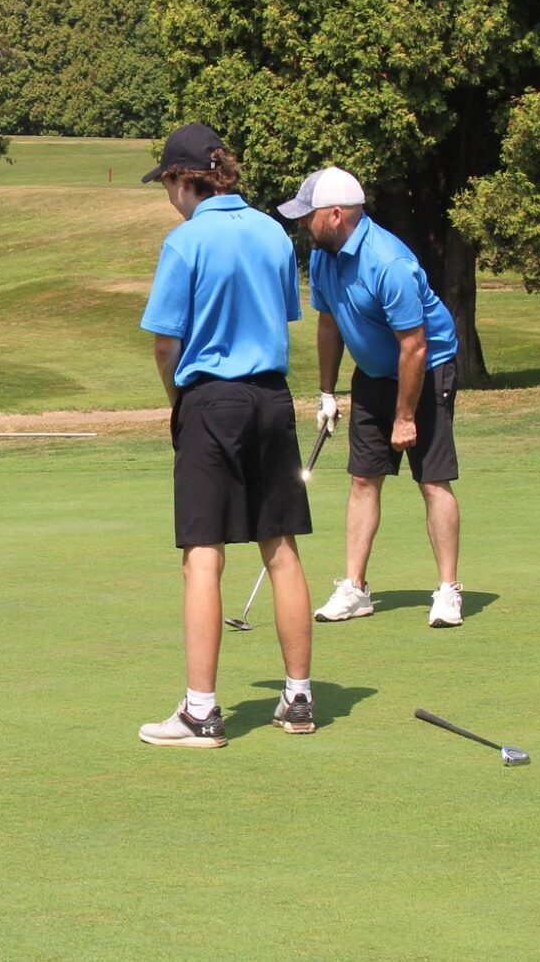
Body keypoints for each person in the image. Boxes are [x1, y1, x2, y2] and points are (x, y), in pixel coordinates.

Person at [136, 123, 316, 749]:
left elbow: (165, 343)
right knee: (280, 546)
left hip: (211, 400)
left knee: (203, 554)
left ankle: (201, 712)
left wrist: (177, 405)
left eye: (166, 182)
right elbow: (283, 316)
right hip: (272, 399)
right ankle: (298, 699)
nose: (167, 195)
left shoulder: (186, 242)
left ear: (186, 180)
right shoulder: (273, 232)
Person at [278, 167, 465, 628]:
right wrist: (326, 391)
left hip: (427, 366)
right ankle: (355, 588)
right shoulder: (324, 255)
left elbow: (415, 345)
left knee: (432, 479)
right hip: (374, 372)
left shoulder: (388, 262)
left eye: (308, 216)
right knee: (363, 478)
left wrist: (404, 416)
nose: (302, 225)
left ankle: (447, 591)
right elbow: (329, 323)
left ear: (337, 215)